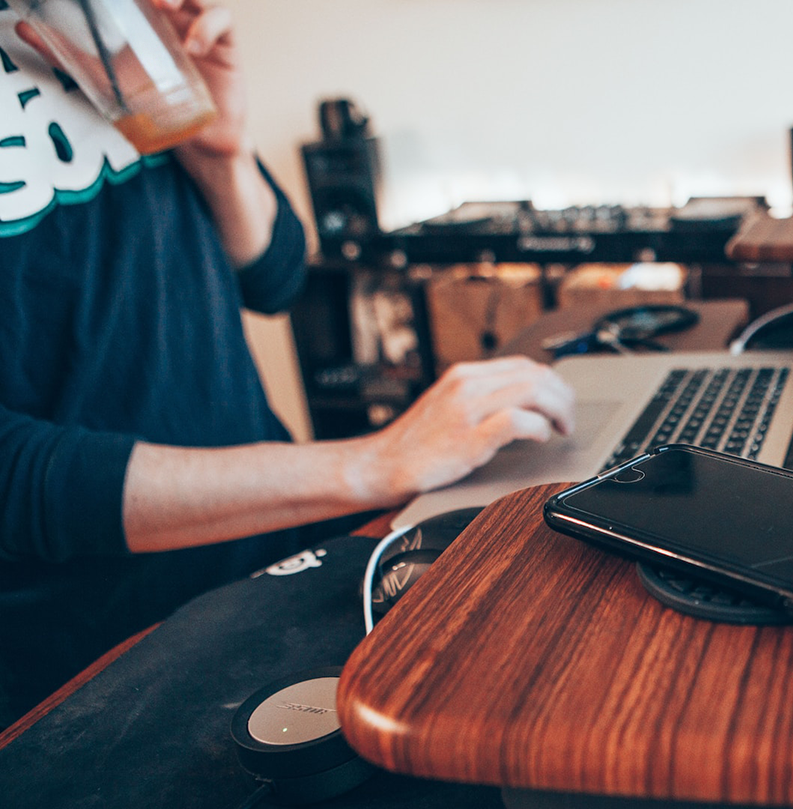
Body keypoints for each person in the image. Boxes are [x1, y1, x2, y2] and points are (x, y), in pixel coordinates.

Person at [0, 0, 576, 725]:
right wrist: (371, 463)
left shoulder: (92, 20)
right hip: (94, 661)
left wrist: (223, 152)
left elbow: (273, 275)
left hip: (272, 561)